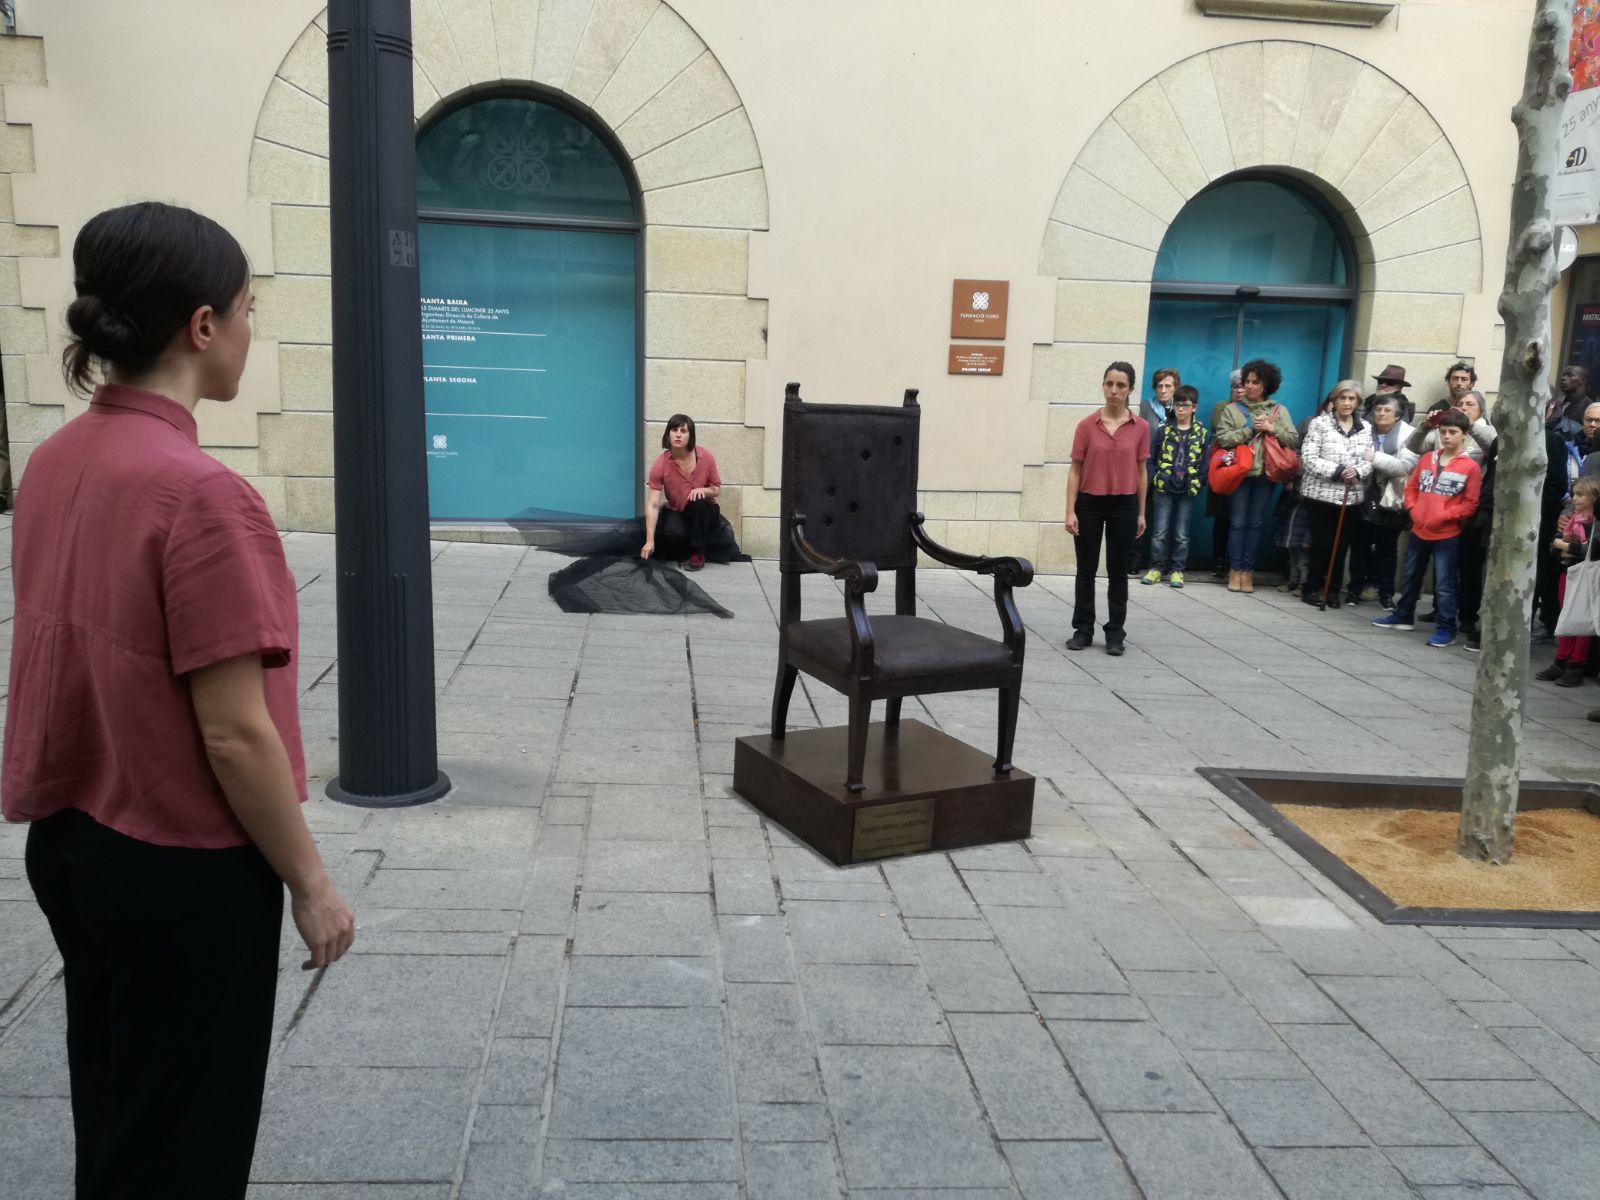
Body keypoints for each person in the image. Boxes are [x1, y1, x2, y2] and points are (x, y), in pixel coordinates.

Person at [3, 202, 355, 1199]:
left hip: (71, 844)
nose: (252, 330)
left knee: (117, 1107)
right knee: (186, 1142)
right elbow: (234, 732)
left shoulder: (56, 461)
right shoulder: (202, 494)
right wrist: (310, 882)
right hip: (180, 869)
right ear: (201, 328)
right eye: (245, 309)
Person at [1372, 410, 1482, 648]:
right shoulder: (1427, 458)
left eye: (1453, 432)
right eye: (1443, 431)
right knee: (1410, 575)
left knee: (1444, 584)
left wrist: (1444, 515)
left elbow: (1470, 503)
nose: (1447, 436)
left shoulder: (1470, 466)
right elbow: (1412, 487)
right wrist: (1412, 508)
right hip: (1420, 528)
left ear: (1464, 435)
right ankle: (1404, 615)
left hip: (1447, 534)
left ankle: (1446, 628)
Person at [1064, 361, 1148, 654]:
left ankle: (1115, 634)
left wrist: (1140, 512)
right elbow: (1075, 468)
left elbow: (1141, 471)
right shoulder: (1087, 425)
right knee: (1085, 570)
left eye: (1121, 385)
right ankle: (1082, 630)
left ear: (1130, 390)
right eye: (1109, 384)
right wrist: (1070, 510)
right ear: (1103, 385)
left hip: (1124, 504)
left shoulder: (1140, 428)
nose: (1113, 390)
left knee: (1117, 571)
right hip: (1089, 503)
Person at [1212, 358, 1299, 594]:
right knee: (1238, 522)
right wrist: (1250, 429)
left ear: (1266, 385)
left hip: (1265, 474)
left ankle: (1248, 571)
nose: (1248, 386)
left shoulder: (1278, 411)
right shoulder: (1232, 409)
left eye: (1254, 382)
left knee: (1255, 523)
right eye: (1246, 381)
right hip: (1239, 474)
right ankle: (1235, 570)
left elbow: (1293, 439)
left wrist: (1272, 429)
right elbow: (1224, 439)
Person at [1298, 379, 1373, 608]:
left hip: (1350, 497)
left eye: (1352, 399)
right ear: (1334, 400)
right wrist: (1339, 471)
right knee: (1322, 544)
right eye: (1343, 398)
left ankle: (1332, 590)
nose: (1347, 403)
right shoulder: (1320, 424)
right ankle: (1311, 587)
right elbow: (1309, 458)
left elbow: (1370, 459)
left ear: (1358, 402)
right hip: (1320, 495)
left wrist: (1358, 471)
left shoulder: (1365, 427)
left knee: (1340, 547)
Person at [1348, 395, 1414, 608]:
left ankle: (1386, 593)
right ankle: (1354, 589)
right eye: (1378, 410)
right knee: (1360, 545)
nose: (1382, 414)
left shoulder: (1409, 435)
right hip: (1364, 494)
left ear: (1397, 416)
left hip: (1391, 498)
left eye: (1387, 410)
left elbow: (1406, 466)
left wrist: (1374, 458)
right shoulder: (1364, 430)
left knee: (1387, 548)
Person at [1534, 476, 1599, 686]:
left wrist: (1564, 546)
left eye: (1581, 495)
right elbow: (1553, 545)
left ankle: (1576, 665)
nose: (1575, 498)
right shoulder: (1570, 518)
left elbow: (1590, 548)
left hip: (1587, 575)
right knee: (1567, 616)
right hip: (1568, 572)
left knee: (1582, 620)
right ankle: (1560, 660)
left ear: (1595, 497)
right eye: (1574, 494)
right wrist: (1561, 545)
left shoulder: (1595, 524)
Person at [1142, 384, 1206, 588]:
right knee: (1159, 530)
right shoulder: (1164, 431)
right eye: (1177, 405)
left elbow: (1205, 461)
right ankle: (1156, 568)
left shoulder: (1201, 433)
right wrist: (1154, 476)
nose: (1180, 410)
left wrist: (1200, 480)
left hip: (1187, 489)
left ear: (1194, 407)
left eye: (1185, 406)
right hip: (1164, 487)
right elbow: (1150, 456)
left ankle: (1177, 569)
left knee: (1181, 532)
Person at [642, 413, 721, 571]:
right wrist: (650, 540)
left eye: (683, 431)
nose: (678, 434)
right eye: (674, 430)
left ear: (690, 436)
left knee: (698, 502)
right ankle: (687, 549)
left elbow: (716, 489)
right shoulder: (661, 464)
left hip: (704, 512)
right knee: (672, 534)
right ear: (668, 434)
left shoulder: (706, 457)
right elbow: (653, 504)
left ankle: (698, 553)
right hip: (678, 511)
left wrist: (703, 490)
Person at [1207, 368, 1245, 579]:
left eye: (1242, 386)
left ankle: (1236, 562)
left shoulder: (1258, 409)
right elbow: (1224, 433)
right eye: (1234, 386)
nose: (1238, 390)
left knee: (1241, 520)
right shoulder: (1221, 408)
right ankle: (1219, 559)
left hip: (1245, 469)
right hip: (1224, 467)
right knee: (1222, 517)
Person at [1405, 389, 1495, 462]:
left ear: (1481, 410)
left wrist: (1470, 425)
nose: (1463, 408)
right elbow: (1412, 447)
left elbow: (1494, 450)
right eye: (1460, 404)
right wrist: (1424, 427)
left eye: (1469, 404)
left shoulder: (1489, 431)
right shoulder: (1444, 430)